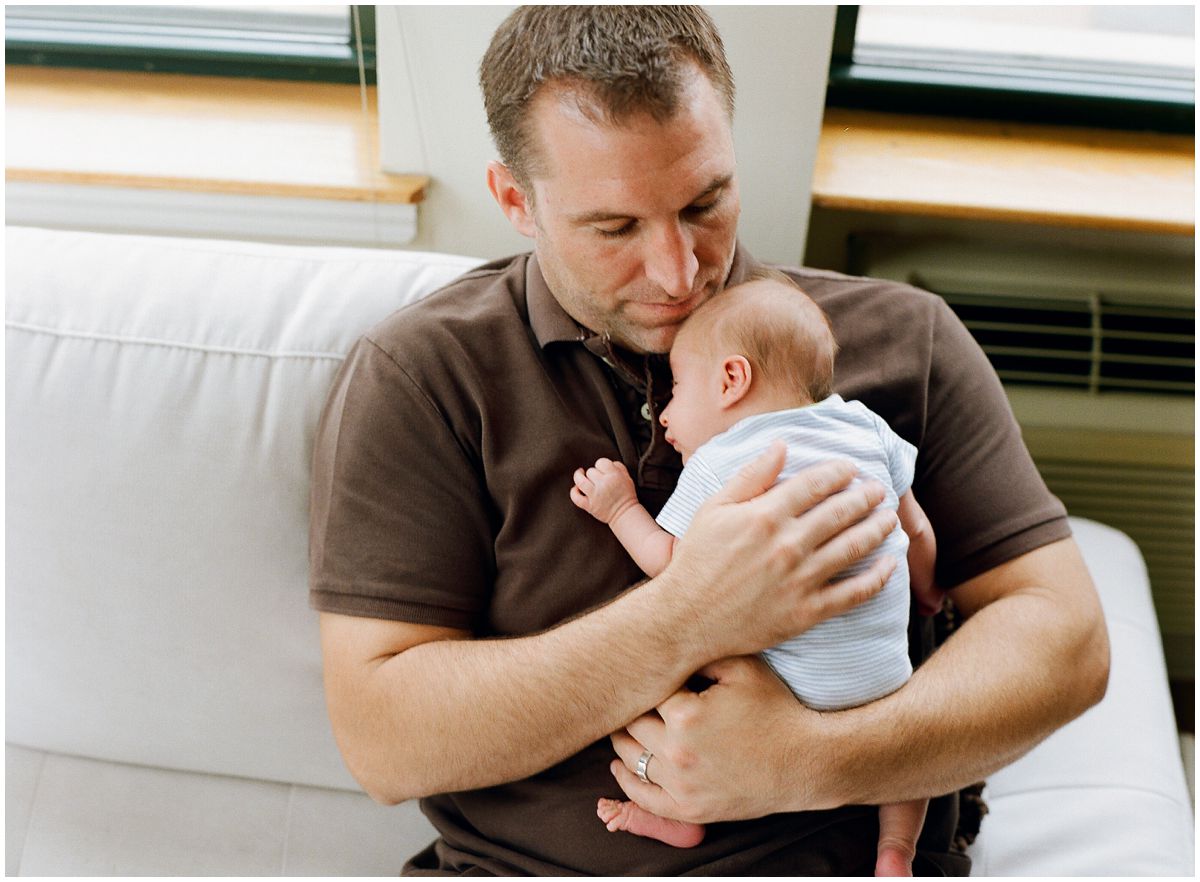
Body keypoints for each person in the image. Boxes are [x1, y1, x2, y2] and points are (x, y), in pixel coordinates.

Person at [309, 6, 1109, 875]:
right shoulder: (427, 376)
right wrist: (689, 614)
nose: (680, 272)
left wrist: (804, 763)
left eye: (706, 202)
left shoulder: (902, 339)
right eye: (615, 228)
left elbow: (1064, 640)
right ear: (516, 201)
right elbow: (383, 742)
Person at [571, 272, 940, 876]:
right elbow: (917, 531)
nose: (663, 414)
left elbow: (672, 567)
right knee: (912, 759)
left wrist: (620, 509)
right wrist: (927, 593)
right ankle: (896, 850)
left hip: (783, 690)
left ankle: (684, 819)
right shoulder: (865, 428)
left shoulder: (723, 463)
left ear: (731, 380)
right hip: (881, 685)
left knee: (675, 678)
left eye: (678, 388)